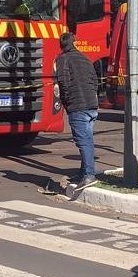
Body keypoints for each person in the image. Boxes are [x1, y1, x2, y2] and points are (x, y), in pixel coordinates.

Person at [51, 32, 102, 197]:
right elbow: (95, 81)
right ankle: (83, 173)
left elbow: (63, 84)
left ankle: (88, 175)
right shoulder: (85, 59)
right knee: (87, 139)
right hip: (92, 105)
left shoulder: (61, 60)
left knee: (83, 142)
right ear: (74, 44)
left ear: (61, 46)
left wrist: (66, 103)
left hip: (78, 106)